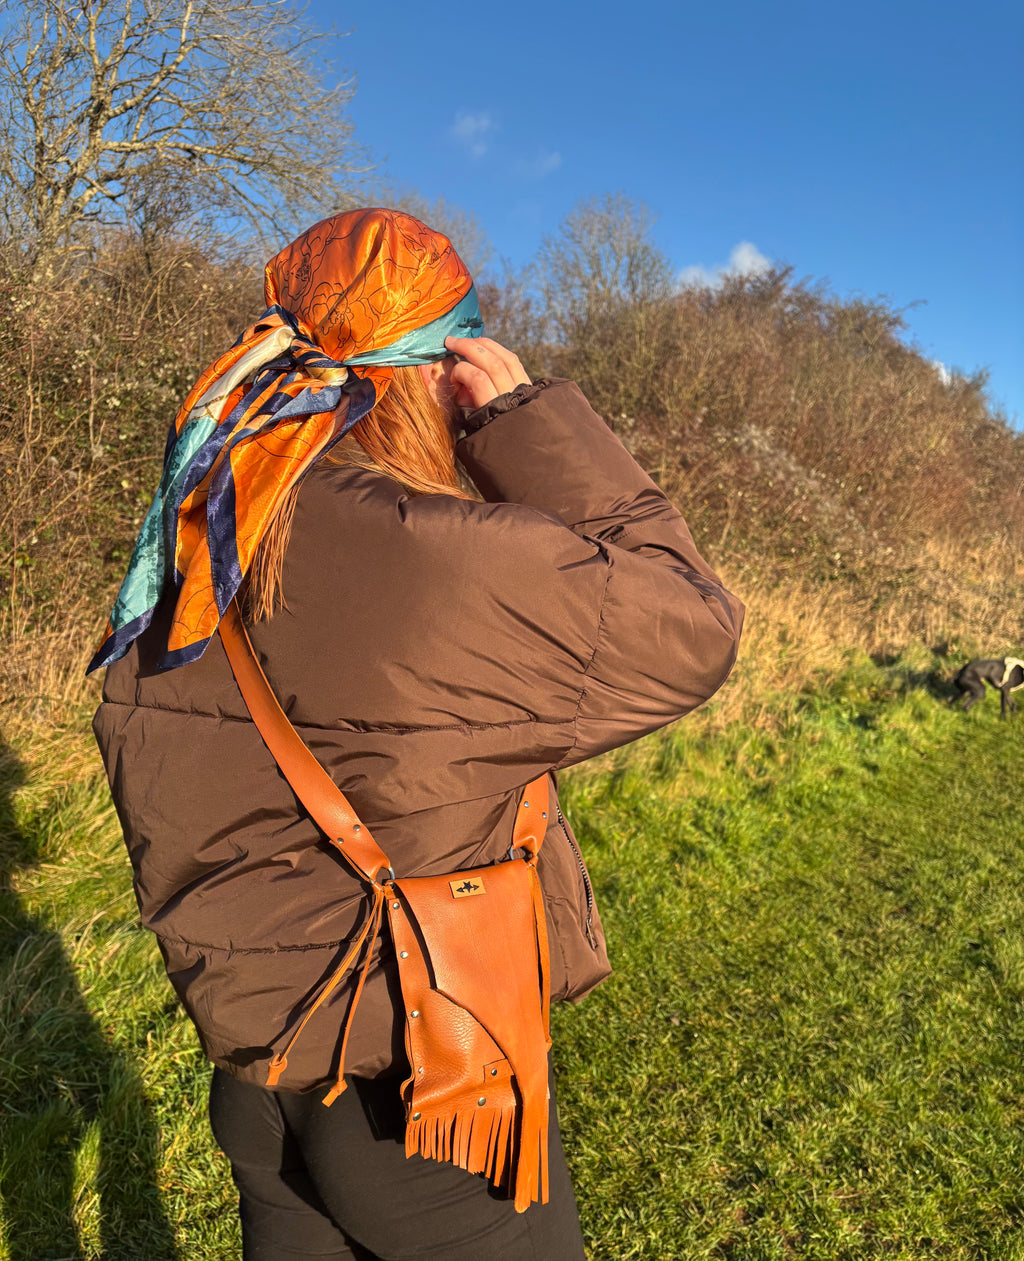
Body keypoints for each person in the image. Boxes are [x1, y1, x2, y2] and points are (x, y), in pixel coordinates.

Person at [90, 208, 744, 1260]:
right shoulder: (447, 558)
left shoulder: (201, 540)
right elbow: (692, 624)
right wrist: (526, 422)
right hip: (418, 1078)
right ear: (445, 368)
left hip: (260, 1068)